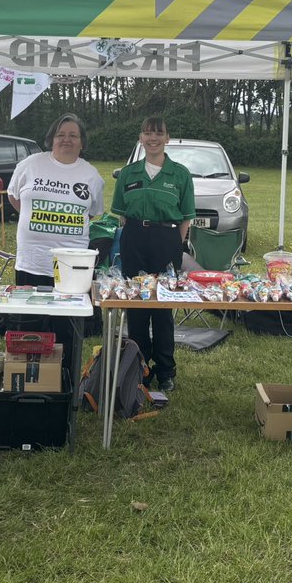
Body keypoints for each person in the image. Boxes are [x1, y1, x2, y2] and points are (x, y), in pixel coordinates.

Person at [6, 113, 105, 370]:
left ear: (82, 142)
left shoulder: (92, 175)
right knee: (29, 328)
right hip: (31, 263)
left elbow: (92, 212)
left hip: (72, 268)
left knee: (66, 330)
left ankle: (63, 382)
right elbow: (15, 198)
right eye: (61, 134)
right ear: (51, 139)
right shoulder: (29, 164)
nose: (66, 140)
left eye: (73, 135)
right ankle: (27, 379)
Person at [111, 116, 195, 392]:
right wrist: (136, 238)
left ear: (167, 138)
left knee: (162, 307)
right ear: (141, 138)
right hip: (134, 239)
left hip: (166, 240)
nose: (153, 138)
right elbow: (122, 216)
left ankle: (166, 370)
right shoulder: (128, 173)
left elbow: (186, 217)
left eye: (158, 133)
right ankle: (139, 366)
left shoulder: (180, 174)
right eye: (148, 133)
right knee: (136, 307)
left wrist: (174, 246)